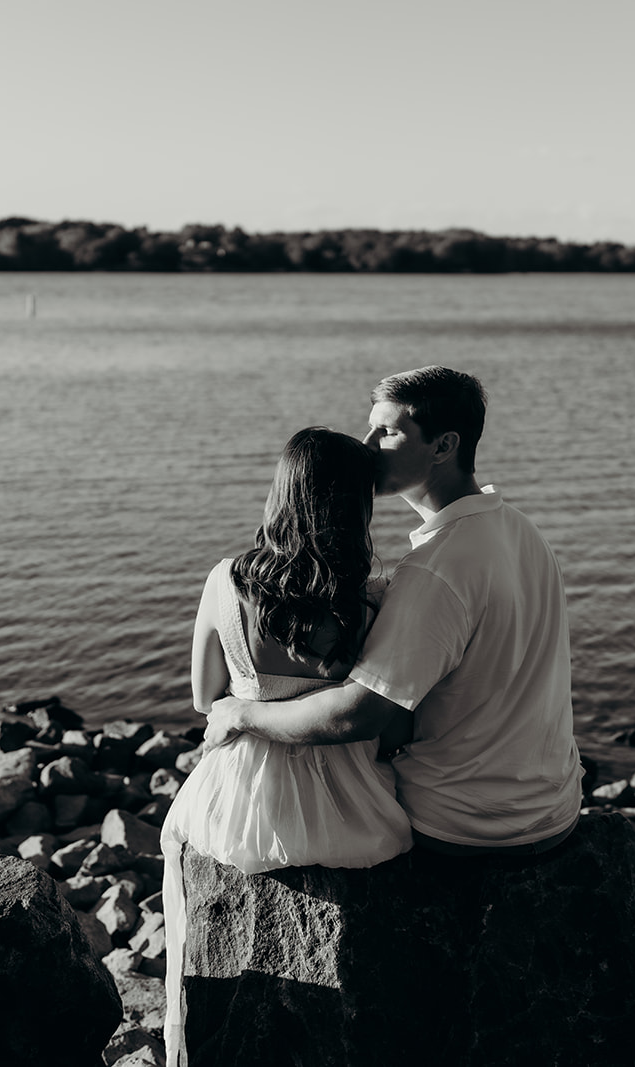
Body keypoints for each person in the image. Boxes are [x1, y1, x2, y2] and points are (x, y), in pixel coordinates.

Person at [206, 365, 582, 856]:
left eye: (386, 432)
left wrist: (241, 712)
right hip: (552, 807)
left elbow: (356, 717)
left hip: (470, 824)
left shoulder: (435, 570)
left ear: (444, 446)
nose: (365, 445)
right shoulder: (520, 530)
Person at [159, 426, 412, 1066]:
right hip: (350, 806)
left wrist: (255, 696)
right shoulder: (372, 601)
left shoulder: (226, 581)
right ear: (355, 509)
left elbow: (204, 696)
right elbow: (393, 729)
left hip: (238, 805)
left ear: (281, 493)